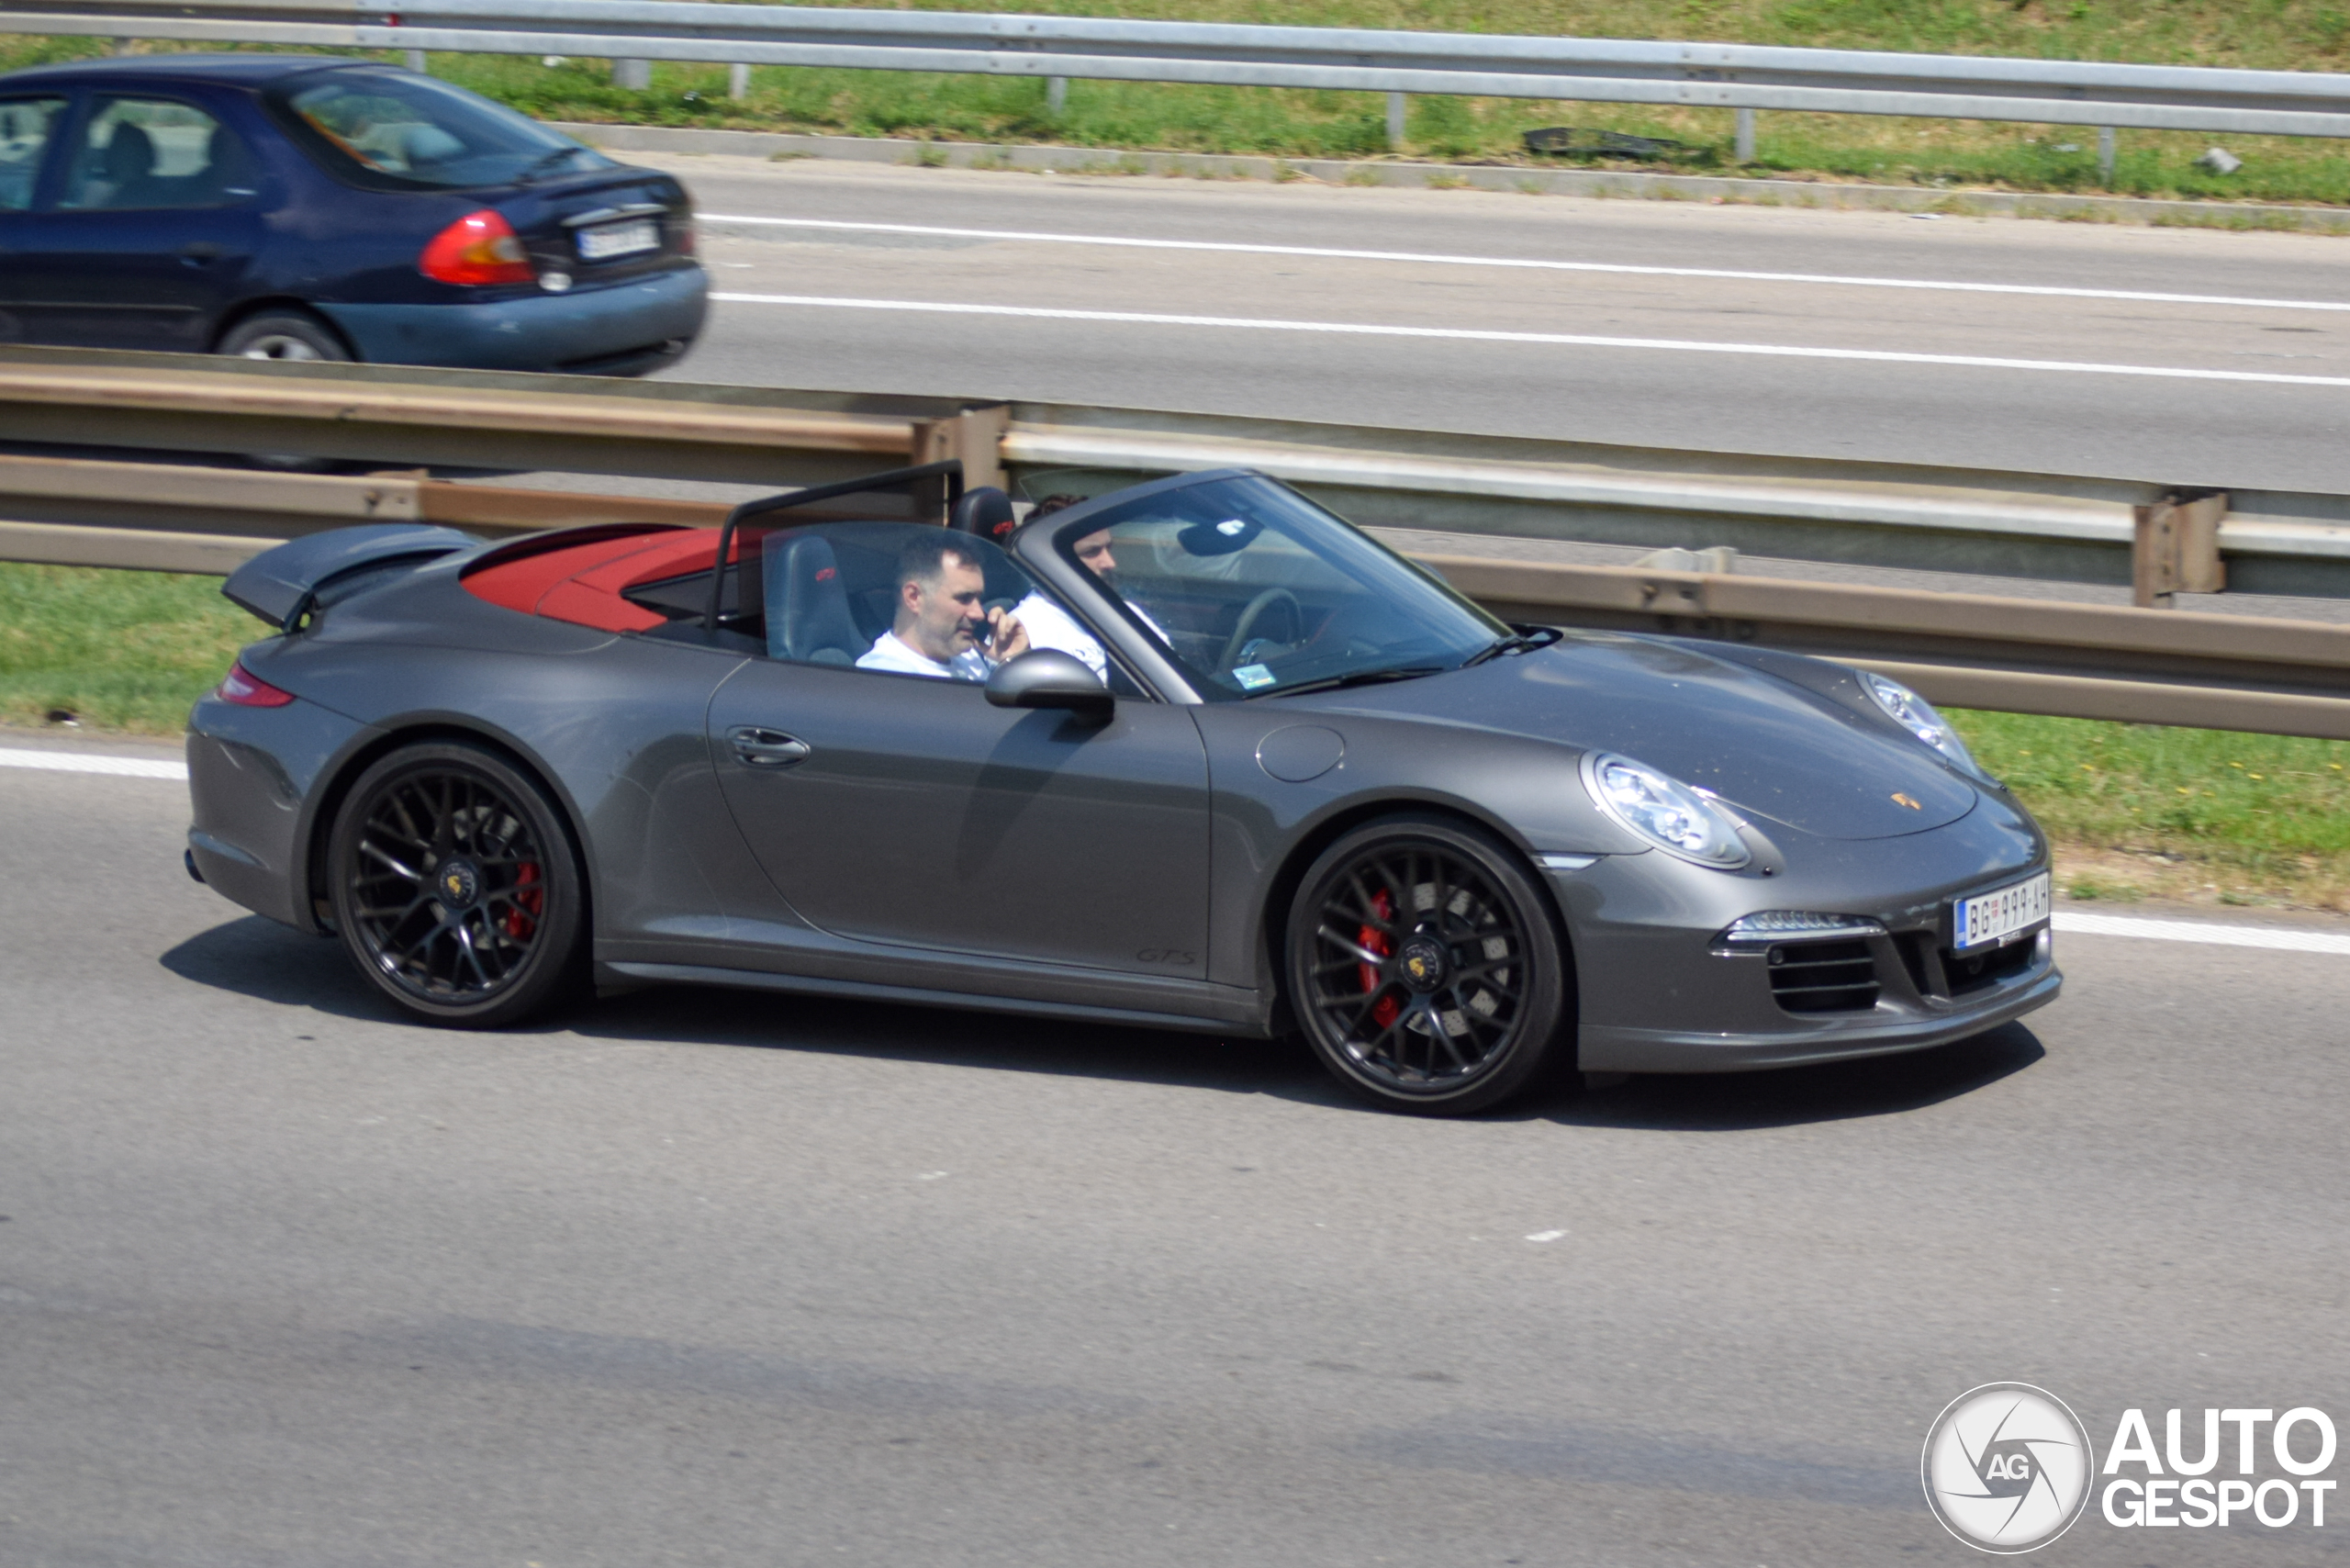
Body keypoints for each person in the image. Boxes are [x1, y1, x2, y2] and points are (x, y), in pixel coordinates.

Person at [857, 532, 1028, 679]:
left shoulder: (969, 657)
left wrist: (1014, 663)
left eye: (978, 598)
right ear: (914, 597)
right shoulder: (884, 678)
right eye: (964, 598)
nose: (979, 613)